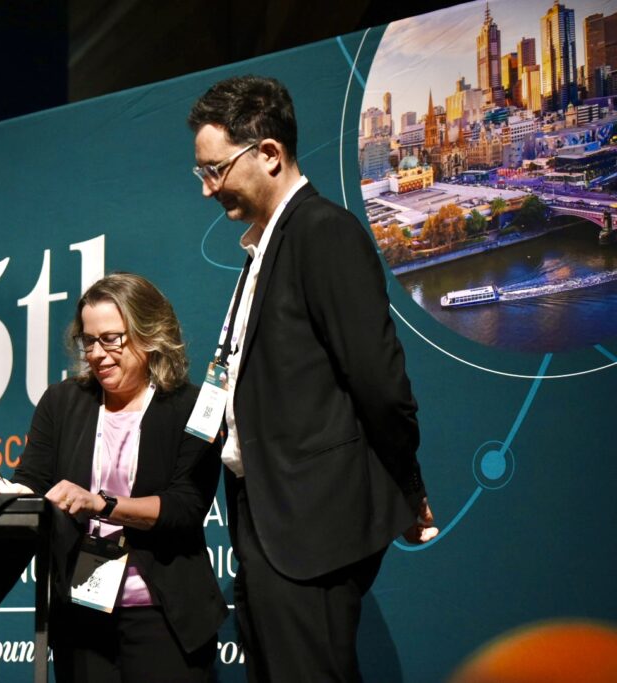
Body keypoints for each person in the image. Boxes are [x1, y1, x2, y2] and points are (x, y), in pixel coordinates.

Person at [186, 75, 438, 682]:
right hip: (267, 526)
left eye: (215, 170)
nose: (207, 189)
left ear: (269, 154)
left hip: (310, 530)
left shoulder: (324, 232)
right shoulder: (264, 251)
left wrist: (406, 480)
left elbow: (379, 380)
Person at [0, 273, 227, 682]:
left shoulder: (190, 406)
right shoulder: (62, 402)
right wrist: (11, 493)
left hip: (165, 618)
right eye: (89, 341)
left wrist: (103, 504)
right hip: (82, 619)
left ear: (150, 334)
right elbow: (33, 479)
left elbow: (185, 507)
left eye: (112, 339)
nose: (97, 354)